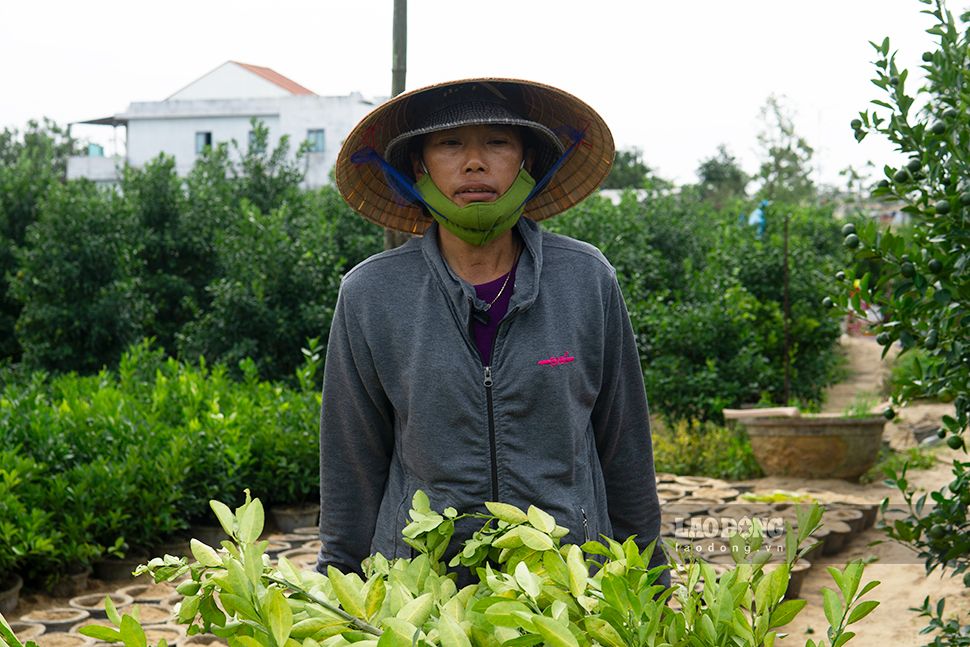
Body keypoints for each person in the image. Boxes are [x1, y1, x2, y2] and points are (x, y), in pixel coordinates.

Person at [317, 78, 667, 584]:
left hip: (566, 581)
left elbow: (625, 448)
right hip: (423, 591)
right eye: (450, 143)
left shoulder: (586, 279)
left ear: (527, 161)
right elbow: (351, 461)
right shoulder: (371, 293)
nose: (475, 162)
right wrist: (339, 586)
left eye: (498, 142)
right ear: (419, 166)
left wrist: (649, 582)